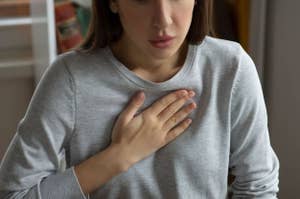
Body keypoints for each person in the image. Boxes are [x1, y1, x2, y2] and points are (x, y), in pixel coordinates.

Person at [0, 0, 279, 198]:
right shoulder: (69, 79)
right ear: (113, 3)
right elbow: (14, 194)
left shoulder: (231, 67)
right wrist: (118, 157)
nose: (163, 20)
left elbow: (259, 186)